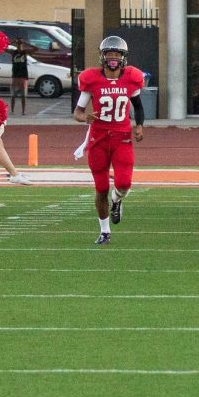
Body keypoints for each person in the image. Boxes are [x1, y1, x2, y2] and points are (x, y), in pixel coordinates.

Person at [73, 36, 145, 243]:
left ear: (123, 57)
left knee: (124, 183)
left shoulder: (131, 78)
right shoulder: (91, 79)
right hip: (98, 139)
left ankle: (117, 201)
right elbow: (77, 112)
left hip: (122, 137)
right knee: (101, 188)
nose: (113, 58)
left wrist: (139, 126)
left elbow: (138, 107)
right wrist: (84, 117)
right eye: (109, 54)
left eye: (117, 54)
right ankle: (105, 231)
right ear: (102, 56)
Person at [10, 38, 36, 115]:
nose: (19, 46)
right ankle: (12, 110)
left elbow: (35, 49)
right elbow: (3, 48)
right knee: (13, 95)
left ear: (23, 45)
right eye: (18, 45)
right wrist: (12, 42)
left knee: (23, 96)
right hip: (15, 77)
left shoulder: (25, 52)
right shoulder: (13, 52)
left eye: (20, 45)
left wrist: (26, 43)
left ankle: (23, 111)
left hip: (23, 77)